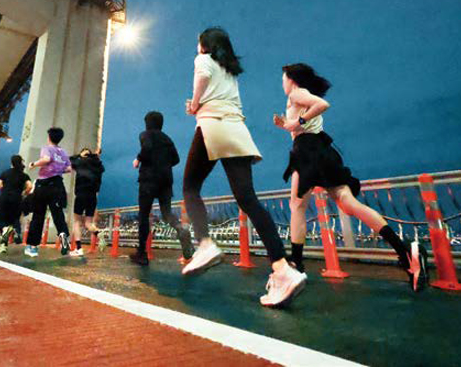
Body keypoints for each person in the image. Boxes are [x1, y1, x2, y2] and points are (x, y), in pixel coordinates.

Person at [181, 27, 306, 307]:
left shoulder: (203, 59)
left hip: (213, 125)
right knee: (248, 199)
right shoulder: (230, 71)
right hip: (237, 129)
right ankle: (283, 270)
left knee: (190, 187)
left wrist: (195, 104)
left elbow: (202, 76)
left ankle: (205, 244)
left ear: (205, 44)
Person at [276, 63, 428, 291]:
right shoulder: (299, 97)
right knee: (348, 204)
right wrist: (289, 125)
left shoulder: (297, 93)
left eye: (283, 79)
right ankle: (405, 251)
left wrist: (296, 122)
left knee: (297, 205)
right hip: (322, 150)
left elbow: (322, 105)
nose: (282, 83)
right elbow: (307, 117)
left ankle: (296, 262)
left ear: (292, 79)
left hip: (307, 152)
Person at [130, 111, 195, 266]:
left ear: (148, 123)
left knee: (144, 215)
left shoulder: (145, 134)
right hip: (165, 180)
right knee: (167, 214)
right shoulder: (167, 139)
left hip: (148, 180)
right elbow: (176, 159)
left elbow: (147, 147)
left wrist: (138, 159)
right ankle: (181, 229)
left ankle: (142, 254)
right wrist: (163, 164)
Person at [25, 127, 72, 257]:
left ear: (49, 137)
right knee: (58, 215)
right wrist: (58, 170)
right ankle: (64, 238)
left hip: (44, 185)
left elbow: (46, 159)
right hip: (58, 185)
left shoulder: (47, 148)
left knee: (38, 215)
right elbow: (69, 169)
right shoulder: (63, 152)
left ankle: (33, 247)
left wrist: (33, 164)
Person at [0, 155, 34, 254]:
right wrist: (23, 192)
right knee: (13, 219)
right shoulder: (24, 175)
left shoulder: (5, 173)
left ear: (11, 163)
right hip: (17, 199)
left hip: (4, 198)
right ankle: (12, 233)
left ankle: (3, 243)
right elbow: (30, 186)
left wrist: (6, 186)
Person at [69, 148, 105, 256]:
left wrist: (80, 156)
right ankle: (98, 233)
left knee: (76, 221)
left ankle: (79, 249)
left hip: (81, 194)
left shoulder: (80, 162)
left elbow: (70, 159)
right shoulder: (97, 165)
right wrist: (94, 156)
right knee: (88, 223)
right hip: (92, 196)